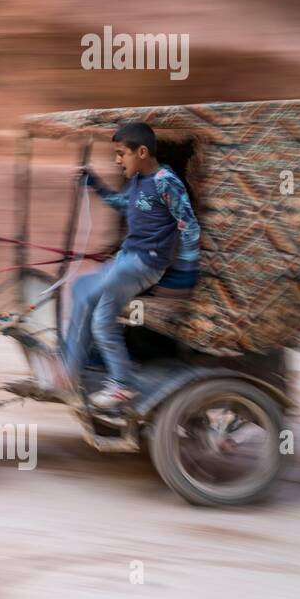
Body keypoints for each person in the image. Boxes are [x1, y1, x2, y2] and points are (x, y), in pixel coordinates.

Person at [57, 121, 201, 409]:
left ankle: (69, 371)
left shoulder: (165, 181)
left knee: (86, 294)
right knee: (93, 308)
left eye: (122, 153)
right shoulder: (137, 182)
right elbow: (125, 205)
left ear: (143, 152)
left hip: (145, 263)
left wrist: (186, 271)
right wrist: (95, 184)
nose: (117, 159)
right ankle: (117, 382)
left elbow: (189, 225)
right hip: (127, 258)